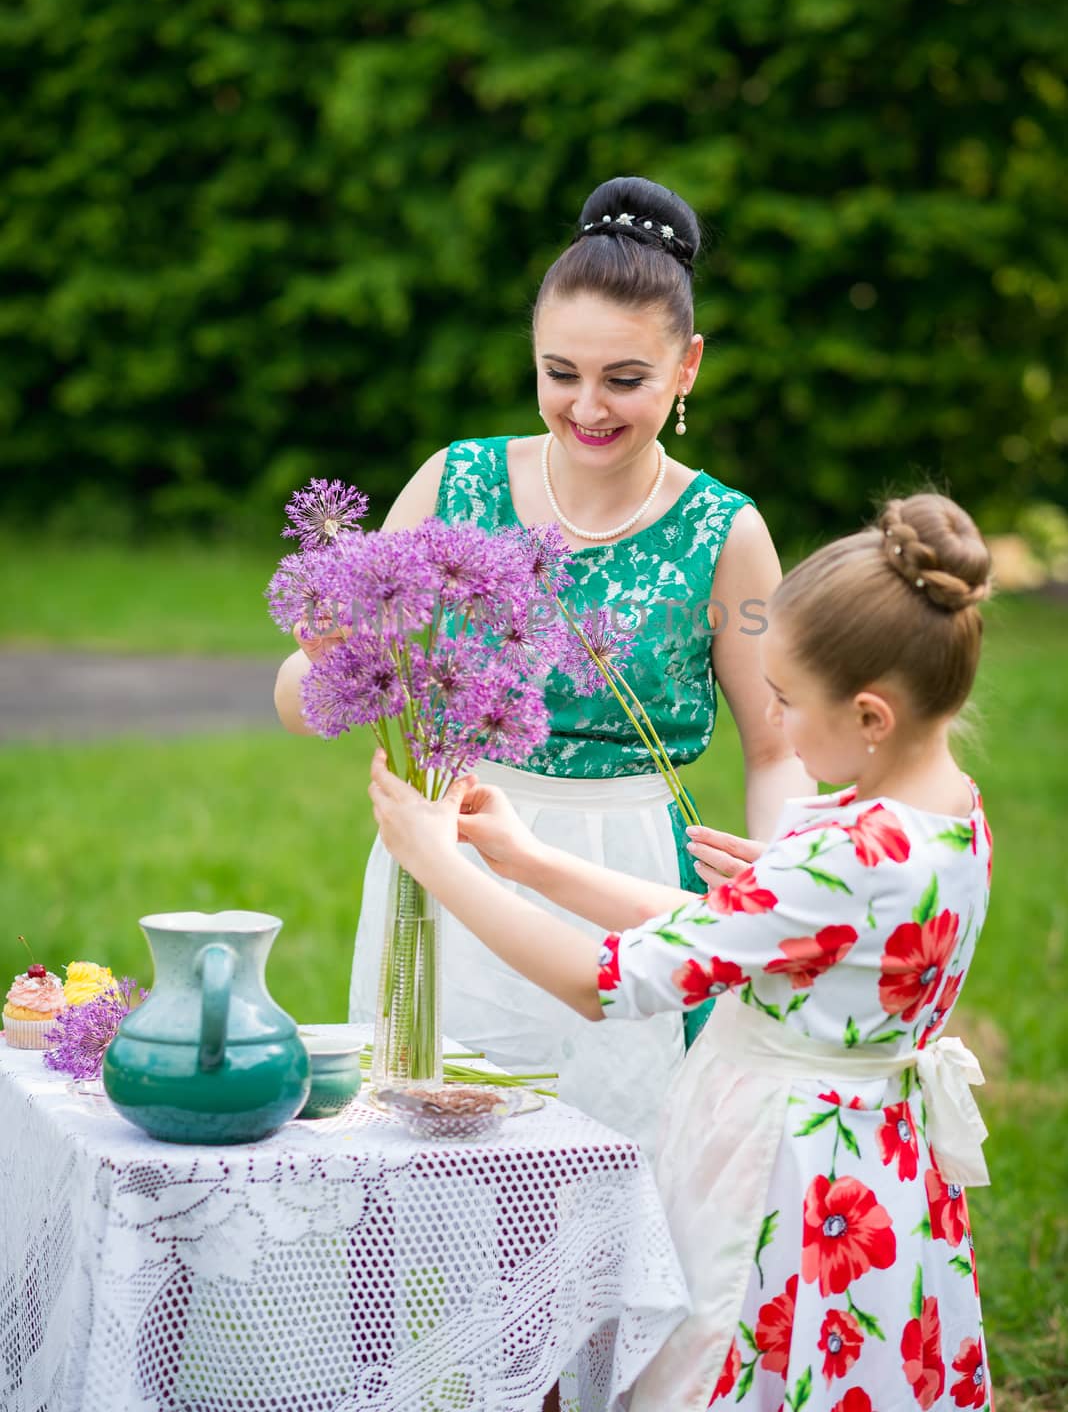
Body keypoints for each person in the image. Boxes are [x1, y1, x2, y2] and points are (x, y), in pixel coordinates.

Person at [368, 493, 996, 1412]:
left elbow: (600, 981)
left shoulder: (841, 856)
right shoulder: (946, 815)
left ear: (870, 715)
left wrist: (436, 863)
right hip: (879, 1167)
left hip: (780, 1172)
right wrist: (531, 860)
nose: (772, 723)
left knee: (719, 1364)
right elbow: (740, 937)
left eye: (784, 702)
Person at [275, 174, 812, 1150]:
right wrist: (324, 657)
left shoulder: (724, 532)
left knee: (620, 1166)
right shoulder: (457, 480)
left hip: (629, 871)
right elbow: (307, 691)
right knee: (432, 1148)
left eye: (625, 378)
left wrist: (776, 878)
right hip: (457, 854)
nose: (588, 406)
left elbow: (776, 745)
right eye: (560, 372)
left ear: (687, 367)